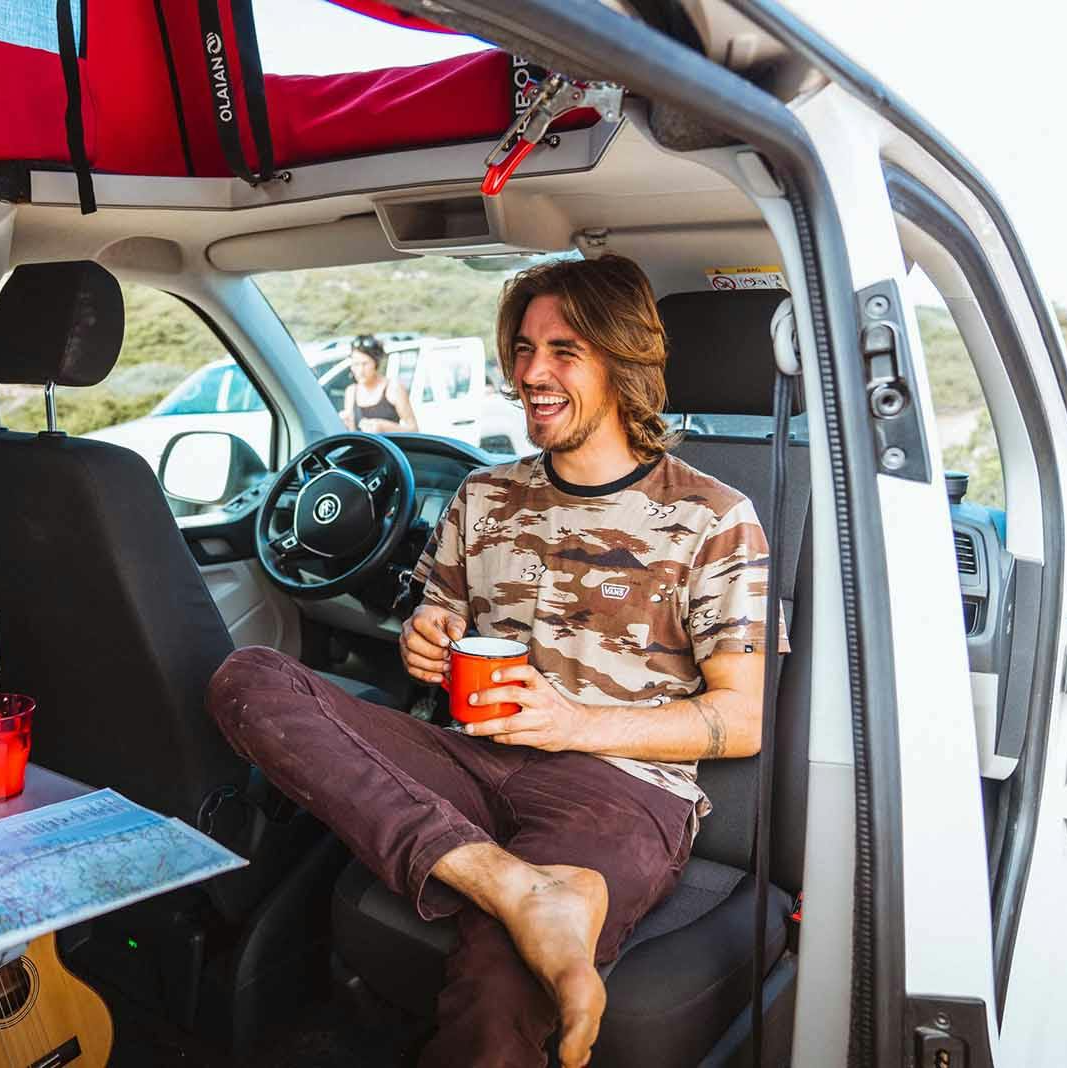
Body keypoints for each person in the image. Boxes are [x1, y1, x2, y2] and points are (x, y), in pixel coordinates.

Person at [207, 255, 784, 1068]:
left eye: (563, 350)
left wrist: (573, 721)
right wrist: (424, 643)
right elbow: (438, 625)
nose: (531, 373)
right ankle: (512, 885)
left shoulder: (715, 518)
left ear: (622, 360)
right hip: (469, 756)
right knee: (249, 679)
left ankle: (515, 900)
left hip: (618, 787)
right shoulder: (483, 494)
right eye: (522, 348)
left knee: (507, 971)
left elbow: (740, 719)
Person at [340, 334, 418, 433]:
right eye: (356, 364)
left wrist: (385, 427)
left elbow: (414, 429)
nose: (360, 370)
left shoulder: (393, 388)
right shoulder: (351, 391)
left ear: (376, 363)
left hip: (388, 447)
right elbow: (352, 431)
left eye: (365, 364)